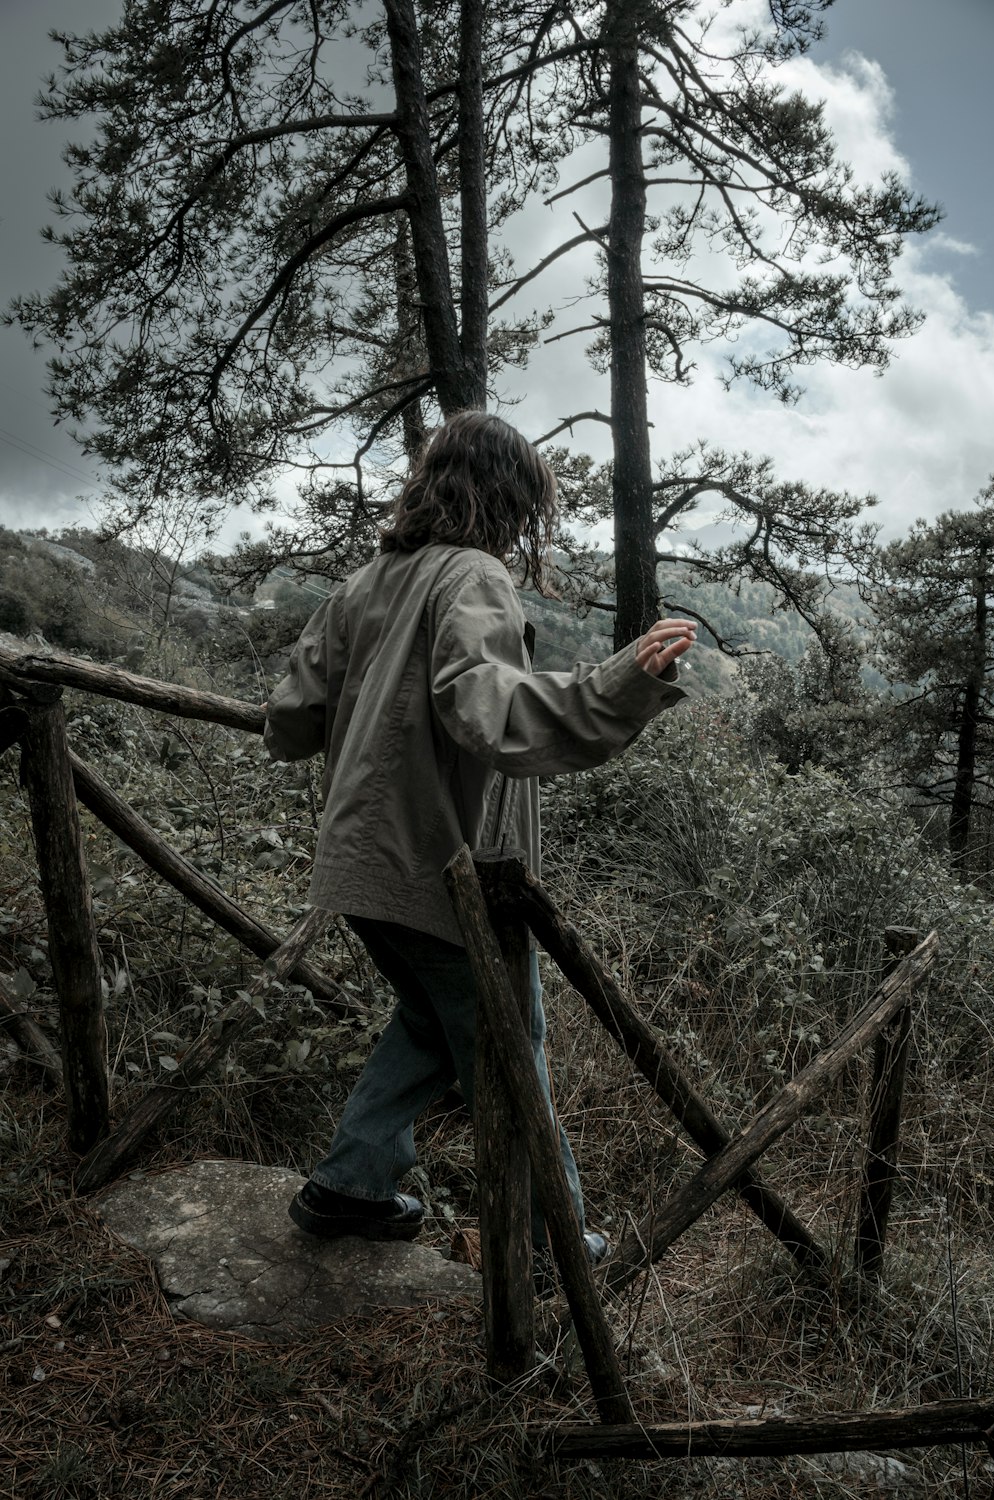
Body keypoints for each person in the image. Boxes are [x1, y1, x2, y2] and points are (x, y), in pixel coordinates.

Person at [264, 410, 696, 1266]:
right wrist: (619, 682)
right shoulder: (473, 577)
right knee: (508, 1038)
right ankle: (550, 1244)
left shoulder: (364, 583)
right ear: (506, 499)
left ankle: (349, 1186)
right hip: (437, 867)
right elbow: (484, 708)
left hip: (354, 863)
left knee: (432, 1025)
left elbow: (287, 719)